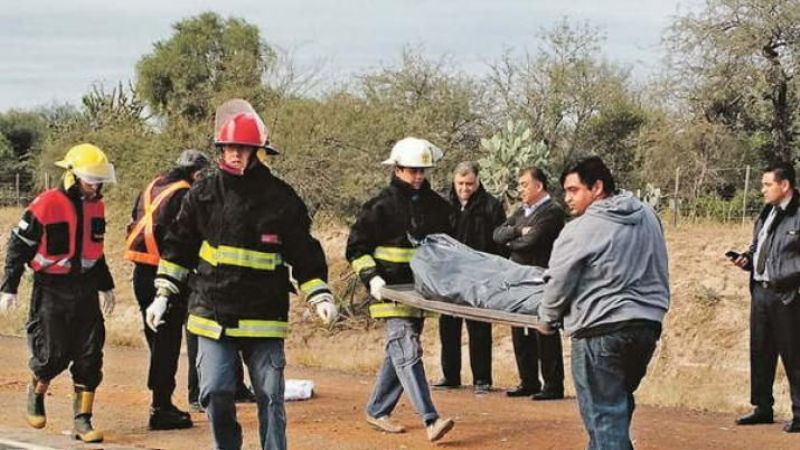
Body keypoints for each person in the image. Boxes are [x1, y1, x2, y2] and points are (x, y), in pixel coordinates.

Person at [146, 105, 338, 450]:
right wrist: (163, 293)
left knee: (270, 396)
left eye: (242, 148)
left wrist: (319, 294)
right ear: (220, 149)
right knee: (216, 393)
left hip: (264, 317)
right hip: (212, 313)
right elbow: (178, 246)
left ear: (256, 151)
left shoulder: (281, 198)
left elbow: (304, 251)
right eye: (228, 147)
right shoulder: (202, 195)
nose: (234, 154)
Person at [538, 156, 669, 449]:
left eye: (573, 190)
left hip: (599, 332)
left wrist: (547, 319)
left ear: (597, 187)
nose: (567, 198)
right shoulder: (648, 215)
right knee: (614, 410)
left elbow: (559, 281)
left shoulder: (581, 229)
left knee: (605, 417)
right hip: (646, 328)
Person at [0, 144, 117, 443]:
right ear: (73, 176)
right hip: (51, 288)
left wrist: (106, 285)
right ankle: (37, 388)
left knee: (90, 355)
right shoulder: (46, 203)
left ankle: (82, 420)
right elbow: (18, 247)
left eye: (99, 180)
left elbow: (95, 250)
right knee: (53, 354)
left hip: (86, 287)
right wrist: (9, 287)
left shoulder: (97, 205)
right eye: (91, 180)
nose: (96, 186)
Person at [346, 137, 455, 442]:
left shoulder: (435, 206)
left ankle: (377, 409)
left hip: (421, 292)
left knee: (399, 352)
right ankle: (430, 418)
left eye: (422, 170)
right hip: (389, 292)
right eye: (412, 170)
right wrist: (372, 278)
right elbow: (355, 248)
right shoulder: (379, 206)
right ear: (397, 169)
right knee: (408, 348)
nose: (418, 176)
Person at [125, 149, 210, 429]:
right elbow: (190, 235)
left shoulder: (153, 185)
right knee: (167, 343)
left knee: (157, 340)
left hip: (141, 273)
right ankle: (161, 407)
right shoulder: (186, 194)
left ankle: (162, 400)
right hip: (167, 275)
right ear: (196, 174)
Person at [731, 161, 800, 433]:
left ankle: (799, 413)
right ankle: (762, 408)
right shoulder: (767, 211)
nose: (763, 190)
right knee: (760, 351)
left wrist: (786, 277)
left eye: (767, 184)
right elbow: (760, 245)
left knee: (794, 355)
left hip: (788, 294)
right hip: (760, 292)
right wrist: (747, 259)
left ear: (785, 185)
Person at [432, 161, 506, 394]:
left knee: (479, 328)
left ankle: (482, 379)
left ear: (478, 181)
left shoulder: (491, 206)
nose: (465, 188)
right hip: (449, 275)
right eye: (460, 183)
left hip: (479, 276)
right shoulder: (443, 203)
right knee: (448, 325)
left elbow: (499, 242)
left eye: (469, 183)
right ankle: (450, 375)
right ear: (454, 181)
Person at [493, 166, 565, 400]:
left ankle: (553, 385)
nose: (520, 189)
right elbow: (497, 235)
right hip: (518, 276)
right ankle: (529, 381)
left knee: (543, 328)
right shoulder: (521, 211)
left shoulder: (552, 212)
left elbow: (532, 241)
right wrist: (517, 231)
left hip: (541, 276)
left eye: (524, 184)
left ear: (539, 186)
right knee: (519, 329)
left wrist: (511, 241)